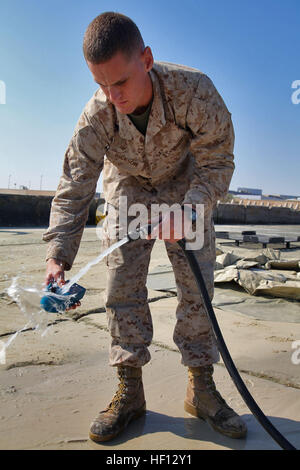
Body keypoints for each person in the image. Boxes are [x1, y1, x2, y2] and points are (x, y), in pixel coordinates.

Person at [43, 12, 247, 442]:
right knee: (121, 284)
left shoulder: (194, 90)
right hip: (127, 187)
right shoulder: (96, 116)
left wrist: (190, 211)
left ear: (147, 59)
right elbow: (75, 185)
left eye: (120, 82)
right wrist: (57, 256)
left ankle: (202, 387)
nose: (112, 96)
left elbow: (218, 160)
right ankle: (130, 391)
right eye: (101, 85)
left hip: (186, 183)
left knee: (197, 286)